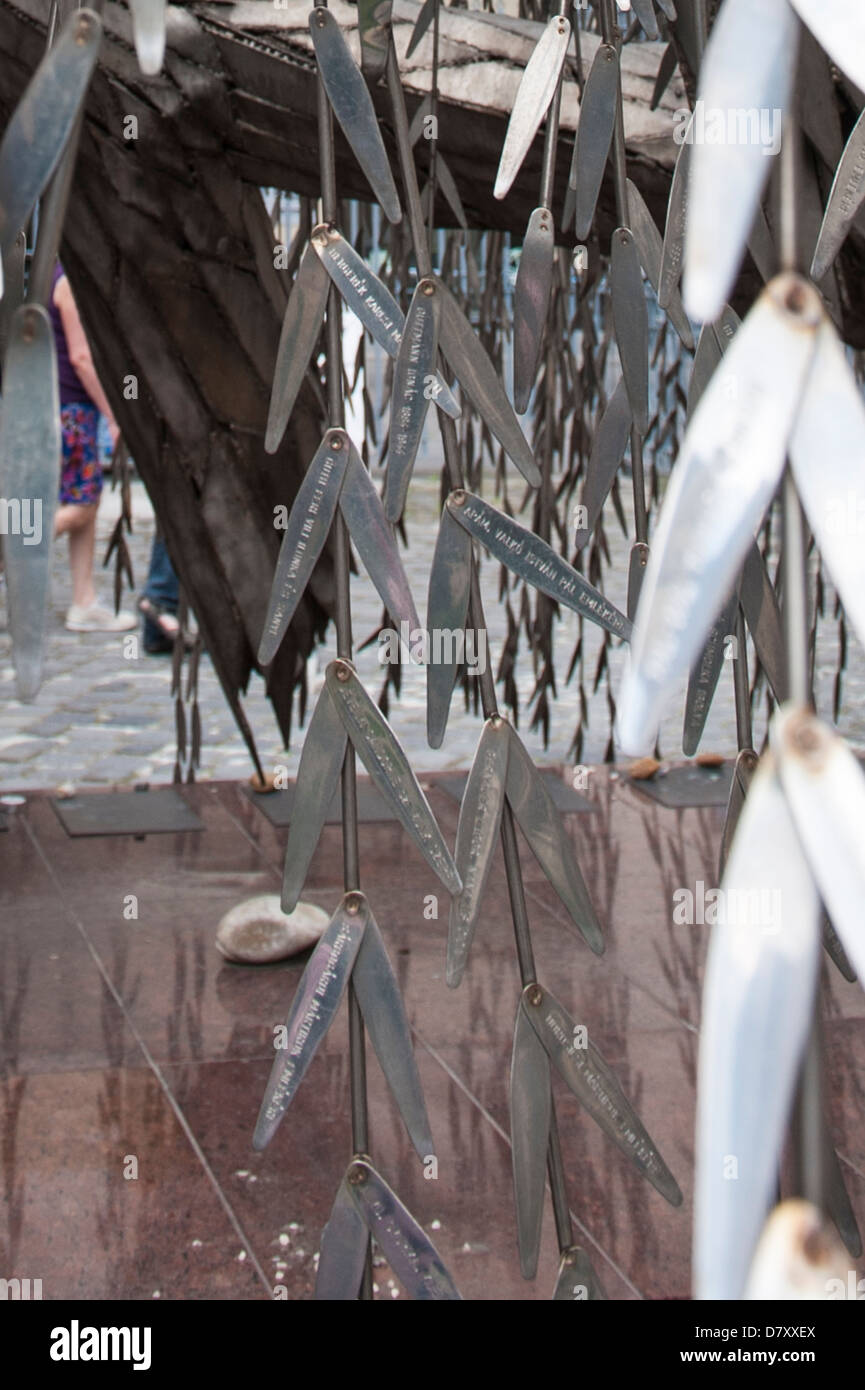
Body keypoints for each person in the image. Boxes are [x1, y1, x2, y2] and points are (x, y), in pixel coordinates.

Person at [49, 261, 136, 631]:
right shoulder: (67, 281)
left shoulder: (54, 275)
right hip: (72, 412)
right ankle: (11, 547)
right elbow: (82, 358)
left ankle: (83, 600)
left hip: (66, 409)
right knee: (81, 507)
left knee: (84, 500)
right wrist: (114, 416)